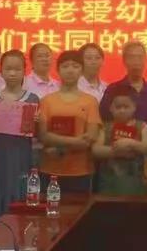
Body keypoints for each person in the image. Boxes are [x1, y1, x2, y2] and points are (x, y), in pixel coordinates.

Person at [0, 50, 40, 218]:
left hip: (22, 155)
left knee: (21, 192)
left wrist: (37, 122)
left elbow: (36, 135)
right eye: (8, 69)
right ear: (1, 71)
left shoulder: (32, 99)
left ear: (24, 71)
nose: (13, 73)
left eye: (17, 69)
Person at [37, 50, 100, 192]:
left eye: (75, 66)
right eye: (65, 66)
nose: (70, 70)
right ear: (58, 70)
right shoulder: (46, 101)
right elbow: (43, 135)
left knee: (79, 207)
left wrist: (59, 146)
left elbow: (90, 137)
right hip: (50, 169)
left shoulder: (90, 101)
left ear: (82, 70)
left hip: (81, 170)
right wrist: (76, 142)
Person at [92, 86, 147, 195]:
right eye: (118, 107)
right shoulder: (105, 127)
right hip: (109, 181)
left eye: (126, 107)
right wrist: (116, 151)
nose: (122, 110)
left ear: (134, 107)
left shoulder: (142, 126)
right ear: (110, 108)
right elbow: (96, 150)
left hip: (135, 180)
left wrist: (131, 143)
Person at [100, 41, 147, 132]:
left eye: (140, 57)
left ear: (145, 60)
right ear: (124, 61)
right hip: (120, 139)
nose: (136, 61)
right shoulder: (113, 89)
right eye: (132, 57)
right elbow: (105, 119)